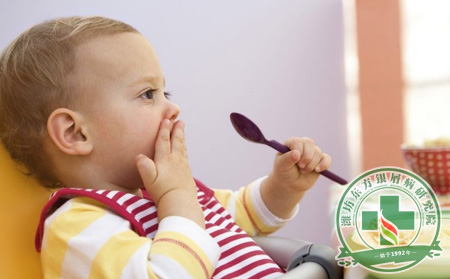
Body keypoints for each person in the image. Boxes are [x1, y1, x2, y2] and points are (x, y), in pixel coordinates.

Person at [0, 16, 331, 279]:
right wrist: (178, 200)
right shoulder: (77, 229)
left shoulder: (170, 193)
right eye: (148, 94)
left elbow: (246, 216)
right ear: (75, 133)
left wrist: (284, 186)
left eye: (165, 93)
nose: (173, 109)